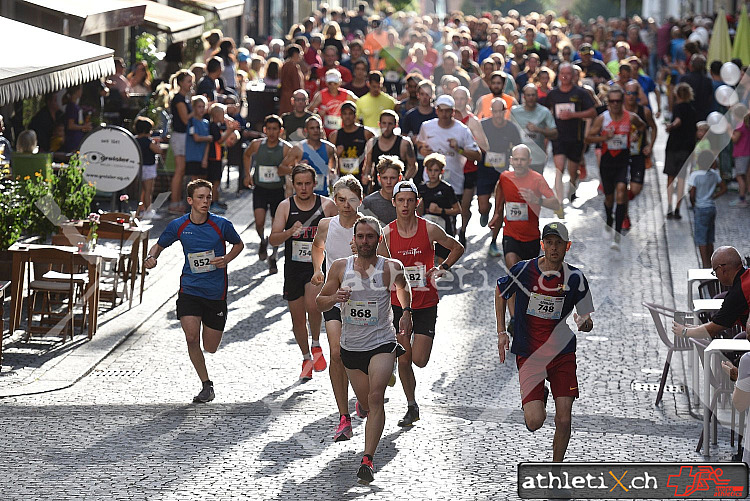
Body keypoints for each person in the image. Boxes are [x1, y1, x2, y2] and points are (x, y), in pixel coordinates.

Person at [316, 215, 412, 485]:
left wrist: (406, 312)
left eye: (370, 237)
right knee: (367, 402)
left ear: (378, 239)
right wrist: (335, 297)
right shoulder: (339, 267)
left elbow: (404, 288)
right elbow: (320, 301)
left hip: (382, 342)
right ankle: (364, 400)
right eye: (361, 237)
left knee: (376, 397)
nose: (365, 241)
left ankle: (368, 460)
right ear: (353, 241)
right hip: (351, 348)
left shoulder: (390, 267)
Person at [495, 222, 594, 462]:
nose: (553, 248)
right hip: (530, 353)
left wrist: (584, 322)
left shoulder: (576, 278)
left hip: (561, 354)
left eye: (558, 243)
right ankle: (538, 398)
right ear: (542, 245)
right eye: (549, 242)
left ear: (567, 246)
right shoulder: (523, 270)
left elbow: (587, 318)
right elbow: (500, 292)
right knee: (534, 421)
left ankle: (556, 471)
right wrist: (501, 332)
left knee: (564, 418)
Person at [144, 179, 243, 403]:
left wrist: (226, 259)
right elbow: (159, 245)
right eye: (200, 197)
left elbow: (239, 244)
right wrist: (152, 257)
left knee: (211, 347)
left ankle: (207, 376)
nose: (206, 201)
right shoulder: (179, 225)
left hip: (216, 293)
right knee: (191, 338)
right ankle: (206, 385)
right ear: (190, 200)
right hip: (189, 288)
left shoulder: (221, 225)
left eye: (208, 197)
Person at [311, 176, 390, 442]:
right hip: (337, 296)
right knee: (336, 352)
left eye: (352, 199)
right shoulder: (325, 224)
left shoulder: (367, 228)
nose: (346, 205)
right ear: (335, 200)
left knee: (364, 354)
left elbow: (387, 261)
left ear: (360, 199)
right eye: (341, 199)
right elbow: (317, 247)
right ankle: (344, 415)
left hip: (366, 301)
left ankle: (366, 391)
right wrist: (318, 271)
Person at [384, 180, 464, 427]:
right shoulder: (386, 234)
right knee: (404, 359)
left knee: (419, 359)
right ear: (394, 203)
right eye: (401, 201)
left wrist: (442, 268)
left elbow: (457, 247)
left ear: (417, 202)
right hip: (398, 304)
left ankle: (411, 402)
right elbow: (377, 265)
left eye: (410, 200)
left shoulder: (429, 229)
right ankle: (411, 406)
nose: (405, 205)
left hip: (427, 302)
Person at [269, 164, 337, 380]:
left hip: (315, 267)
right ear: (293, 184)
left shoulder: (326, 205)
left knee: (312, 305)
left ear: (315, 184)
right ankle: (306, 357)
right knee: (297, 319)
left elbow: (342, 231)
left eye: (308, 183)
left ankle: (316, 342)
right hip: (293, 268)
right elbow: (273, 239)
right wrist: (290, 232)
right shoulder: (285, 207)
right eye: (299, 184)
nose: (304, 188)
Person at [489, 145, 559, 332]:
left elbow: (556, 203)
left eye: (523, 160)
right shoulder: (505, 177)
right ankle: (514, 319)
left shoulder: (537, 179)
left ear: (528, 161)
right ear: (511, 160)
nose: (519, 163)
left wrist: (537, 201)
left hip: (531, 238)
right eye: (516, 159)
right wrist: (496, 214)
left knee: (526, 280)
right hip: (510, 234)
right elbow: (500, 193)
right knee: (513, 272)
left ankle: (526, 314)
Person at [585, 86, 645, 249]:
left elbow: (642, 126)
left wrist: (636, 135)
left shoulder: (630, 117)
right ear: (608, 102)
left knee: (621, 192)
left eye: (619, 101)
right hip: (607, 162)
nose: (616, 104)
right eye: (612, 101)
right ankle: (609, 219)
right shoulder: (602, 119)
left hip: (623, 161)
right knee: (609, 197)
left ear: (623, 101)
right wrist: (605, 137)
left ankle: (617, 235)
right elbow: (588, 138)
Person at [243, 115, 293, 274]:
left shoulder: (286, 148)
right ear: (264, 130)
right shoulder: (257, 145)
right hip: (260, 189)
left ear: (281, 131)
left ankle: (274, 255)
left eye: (275, 129)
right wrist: (248, 174)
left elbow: (292, 167)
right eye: (269, 129)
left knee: (276, 226)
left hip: (277, 190)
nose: (272, 132)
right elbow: (246, 155)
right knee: (259, 222)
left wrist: (285, 171)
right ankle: (263, 240)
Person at [545, 63, 596, 212]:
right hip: (558, 138)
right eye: (562, 73)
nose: (565, 76)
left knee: (572, 171)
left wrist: (573, 115)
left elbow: (592, 112)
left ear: (573, 76)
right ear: (558, 75)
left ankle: (572, 188)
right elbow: (546, 112)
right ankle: (559, 202)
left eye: (568, 73)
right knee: (559, 169)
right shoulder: (553, 94)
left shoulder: (580, 93)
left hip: (576, 138)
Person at [416, 95, 481, 211]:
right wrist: (422, 150)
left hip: (454, 181)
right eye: (441, 110)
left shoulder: (462, 130)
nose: (444, 114)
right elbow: (420, 143)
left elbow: (477, 155)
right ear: (436, 111)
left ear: (453, 112)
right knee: (428, 214)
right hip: (430, 179)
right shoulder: (427, 126)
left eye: (448, 111)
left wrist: (459, 149)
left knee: (450, 216)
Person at [673, 246, 750, 338]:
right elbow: (719, 322)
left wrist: (684, 332)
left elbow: (712, 330)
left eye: (715, 271)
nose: (716, 276)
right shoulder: (746, 278)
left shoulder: (738, 293)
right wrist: (696, 328)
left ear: (722, 269)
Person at [478, 98, 522, 256]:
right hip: (484, 170)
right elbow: (472, 142)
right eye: (494, 111)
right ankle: (484, 212)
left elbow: (518, 148)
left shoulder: (511, 128)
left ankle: (493, 242)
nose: (497, 114)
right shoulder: (483, 125)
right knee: (483, 206)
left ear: (505, 111)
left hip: (502, 172)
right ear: (491, 111)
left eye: (500, 111)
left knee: (500, 208)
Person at [622, 80, 657, 230]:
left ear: (638, 95)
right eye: (628, 93)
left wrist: (650, 146)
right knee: (621, 186)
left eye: (633, 93)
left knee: (635, 189)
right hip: (620, 155)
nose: (630, 96)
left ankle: (622, 202)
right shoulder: (618, 111)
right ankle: (624, 214)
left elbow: (654, 128)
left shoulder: (645, 112)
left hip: (638, 155)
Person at [417, 153, 461, 263]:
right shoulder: (421, 188)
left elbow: (458, 210)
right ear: (426, 171)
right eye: (430, 170)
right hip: (426, 228)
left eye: (436, 170)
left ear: (441, 171)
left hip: (444, 228)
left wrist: (440, 211)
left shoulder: (446, 188)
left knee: (442, 264)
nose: (432, 174)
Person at [687, 150, 727, 268]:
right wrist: (714, 196)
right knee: (710, 236)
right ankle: (711, 262)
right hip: (711, 207)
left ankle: (705, 264)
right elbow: (724, 188)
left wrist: (694, 204)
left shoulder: (695, 175)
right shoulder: (714, 174)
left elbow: (692, 194)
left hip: (700, 208)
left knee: (701, 238)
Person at [280, 116, 338, 197]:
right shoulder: (298, 149)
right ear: (306, 131)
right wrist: (297, 168)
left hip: (322, 196)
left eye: (318, 128)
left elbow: (333, 166)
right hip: (302, 197)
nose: (315, 131)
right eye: (312, 128)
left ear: (321, 129)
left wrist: (332, 171)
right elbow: (281, 169)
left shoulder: (329, 148)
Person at [664, 82, 697, 220]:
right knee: (682, 178)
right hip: (687, 147)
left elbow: (678, 121)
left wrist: (670, 126)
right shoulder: (692, 109)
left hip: (674, 146)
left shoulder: (678, 107)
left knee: (671, 177)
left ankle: (670, 206)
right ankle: (678, 208)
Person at [510, 83, 558, 175]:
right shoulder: (515, 111)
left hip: (537, 157)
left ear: (537, 96)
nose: (531, 98)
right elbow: (507, 130)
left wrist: (539, 130)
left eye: (533, 95)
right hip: (519, 158)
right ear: (524, 96)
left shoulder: (544, 112)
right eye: (528, 95)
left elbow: (555, 133)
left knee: (535, 186)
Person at [362, 110, 416, 190]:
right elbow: (368, 165)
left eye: (390, 124)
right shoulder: (372, 143)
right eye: (384, 123)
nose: (386, 127)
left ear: (395, 125)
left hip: (398, 190)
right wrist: (366, 177)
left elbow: (413, 166)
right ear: (379, 124)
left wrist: (404, 181)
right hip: (378, 189)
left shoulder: (404, 143)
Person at [169, 70, 194, 214]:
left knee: (182, 170)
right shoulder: (179, 99)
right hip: (180, 135)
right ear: (180, 83)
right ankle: (174, 202)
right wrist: (198, 110)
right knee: (179, 170)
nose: (191, 84)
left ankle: (177, 201)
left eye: (191, 81)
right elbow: (185, 119)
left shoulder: (184, 98)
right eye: (188, 81)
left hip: (183, 135)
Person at [330, 101, 374, 182]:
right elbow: (330, 159)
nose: (347, 117)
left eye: (350, 113)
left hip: (361, 177)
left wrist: (368, 173)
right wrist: (336, 154)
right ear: (341, 116)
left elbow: (373, 155)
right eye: (345, 114)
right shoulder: (334, 135)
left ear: (355, 116)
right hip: (341, 178)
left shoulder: (366, 133)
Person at [308, 69, 357, 138]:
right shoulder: (321, 95)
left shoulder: (347, 94)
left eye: (335, 83)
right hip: (325, 133)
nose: (332, 86)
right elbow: (309, 111)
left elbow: (359, 106)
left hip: (344, 132)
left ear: (340, 82)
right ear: (326, 83)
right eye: (330, 83)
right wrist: (318, 113)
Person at [134, 117, 162, 219]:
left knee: (142, 190)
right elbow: (158, 151)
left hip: (138, 167)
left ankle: (140, 209)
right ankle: (148, 210)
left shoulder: (135, 140)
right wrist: (156, 143)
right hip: (149, 167)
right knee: (148, 190)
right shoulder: (148, 141)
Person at [63, 85, 92, 153]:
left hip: (78, 138)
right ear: (77, 91)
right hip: (73, 139)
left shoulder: (75, 105)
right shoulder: (71, 107)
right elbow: (70, 125)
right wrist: (84, 127)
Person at [730, 112, 750, 207]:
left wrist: (728, 130)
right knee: (746, 176)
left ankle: (742, 199)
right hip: (747, 152)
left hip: (741, 154)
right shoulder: (747, 125)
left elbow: (735, 139)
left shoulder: (740, 125)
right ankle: (745, 196)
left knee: (739, 176)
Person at [279, 45, 305, 115]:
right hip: (292, 97)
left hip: (284, 96)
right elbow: (296, 84)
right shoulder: (293, 66)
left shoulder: (285, 65)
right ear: (295, 54)